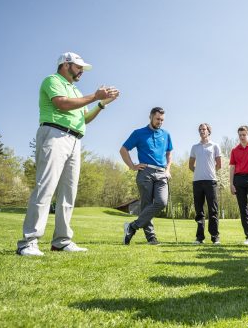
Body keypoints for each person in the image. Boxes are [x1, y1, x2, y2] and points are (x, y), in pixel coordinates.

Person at [17, 52, 119, 256]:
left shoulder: (76, 89)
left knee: (68, 192)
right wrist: (94, 96)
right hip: (54, 134)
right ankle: (28, 242)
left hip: (75, 140)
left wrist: (101, 104)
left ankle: (61, 241)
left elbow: (85, 118)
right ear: (66, 64)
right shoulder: (52, 80)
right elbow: (61, 104)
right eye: (79, 66)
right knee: (45, 188)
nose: (82, 70)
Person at [120, 107, 173, 246]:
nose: (160, 122)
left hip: (162, 173)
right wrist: (132, 166)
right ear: (150, 117)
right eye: (157, 119)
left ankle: (132, 227)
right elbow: (123, 149)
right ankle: (151, 238)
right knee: (146, 205)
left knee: (162, 202)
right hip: (145, 172)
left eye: (162, 120)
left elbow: (169, 153)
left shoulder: (166, 134)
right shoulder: (138, 133)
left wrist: (168, 169)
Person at [189, 123, 222, 244]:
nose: (202, 131)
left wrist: (210, 172)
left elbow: (219, 165)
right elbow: (190, 165)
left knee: (213, 210)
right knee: (199, 211)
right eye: (200, 130)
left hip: (211, 181)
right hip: (197, 182)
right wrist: (199, 172)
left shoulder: (215, 146)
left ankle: (215, 237)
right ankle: (199, 237)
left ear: (209, 131)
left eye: (204, 129)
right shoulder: (195, 147)